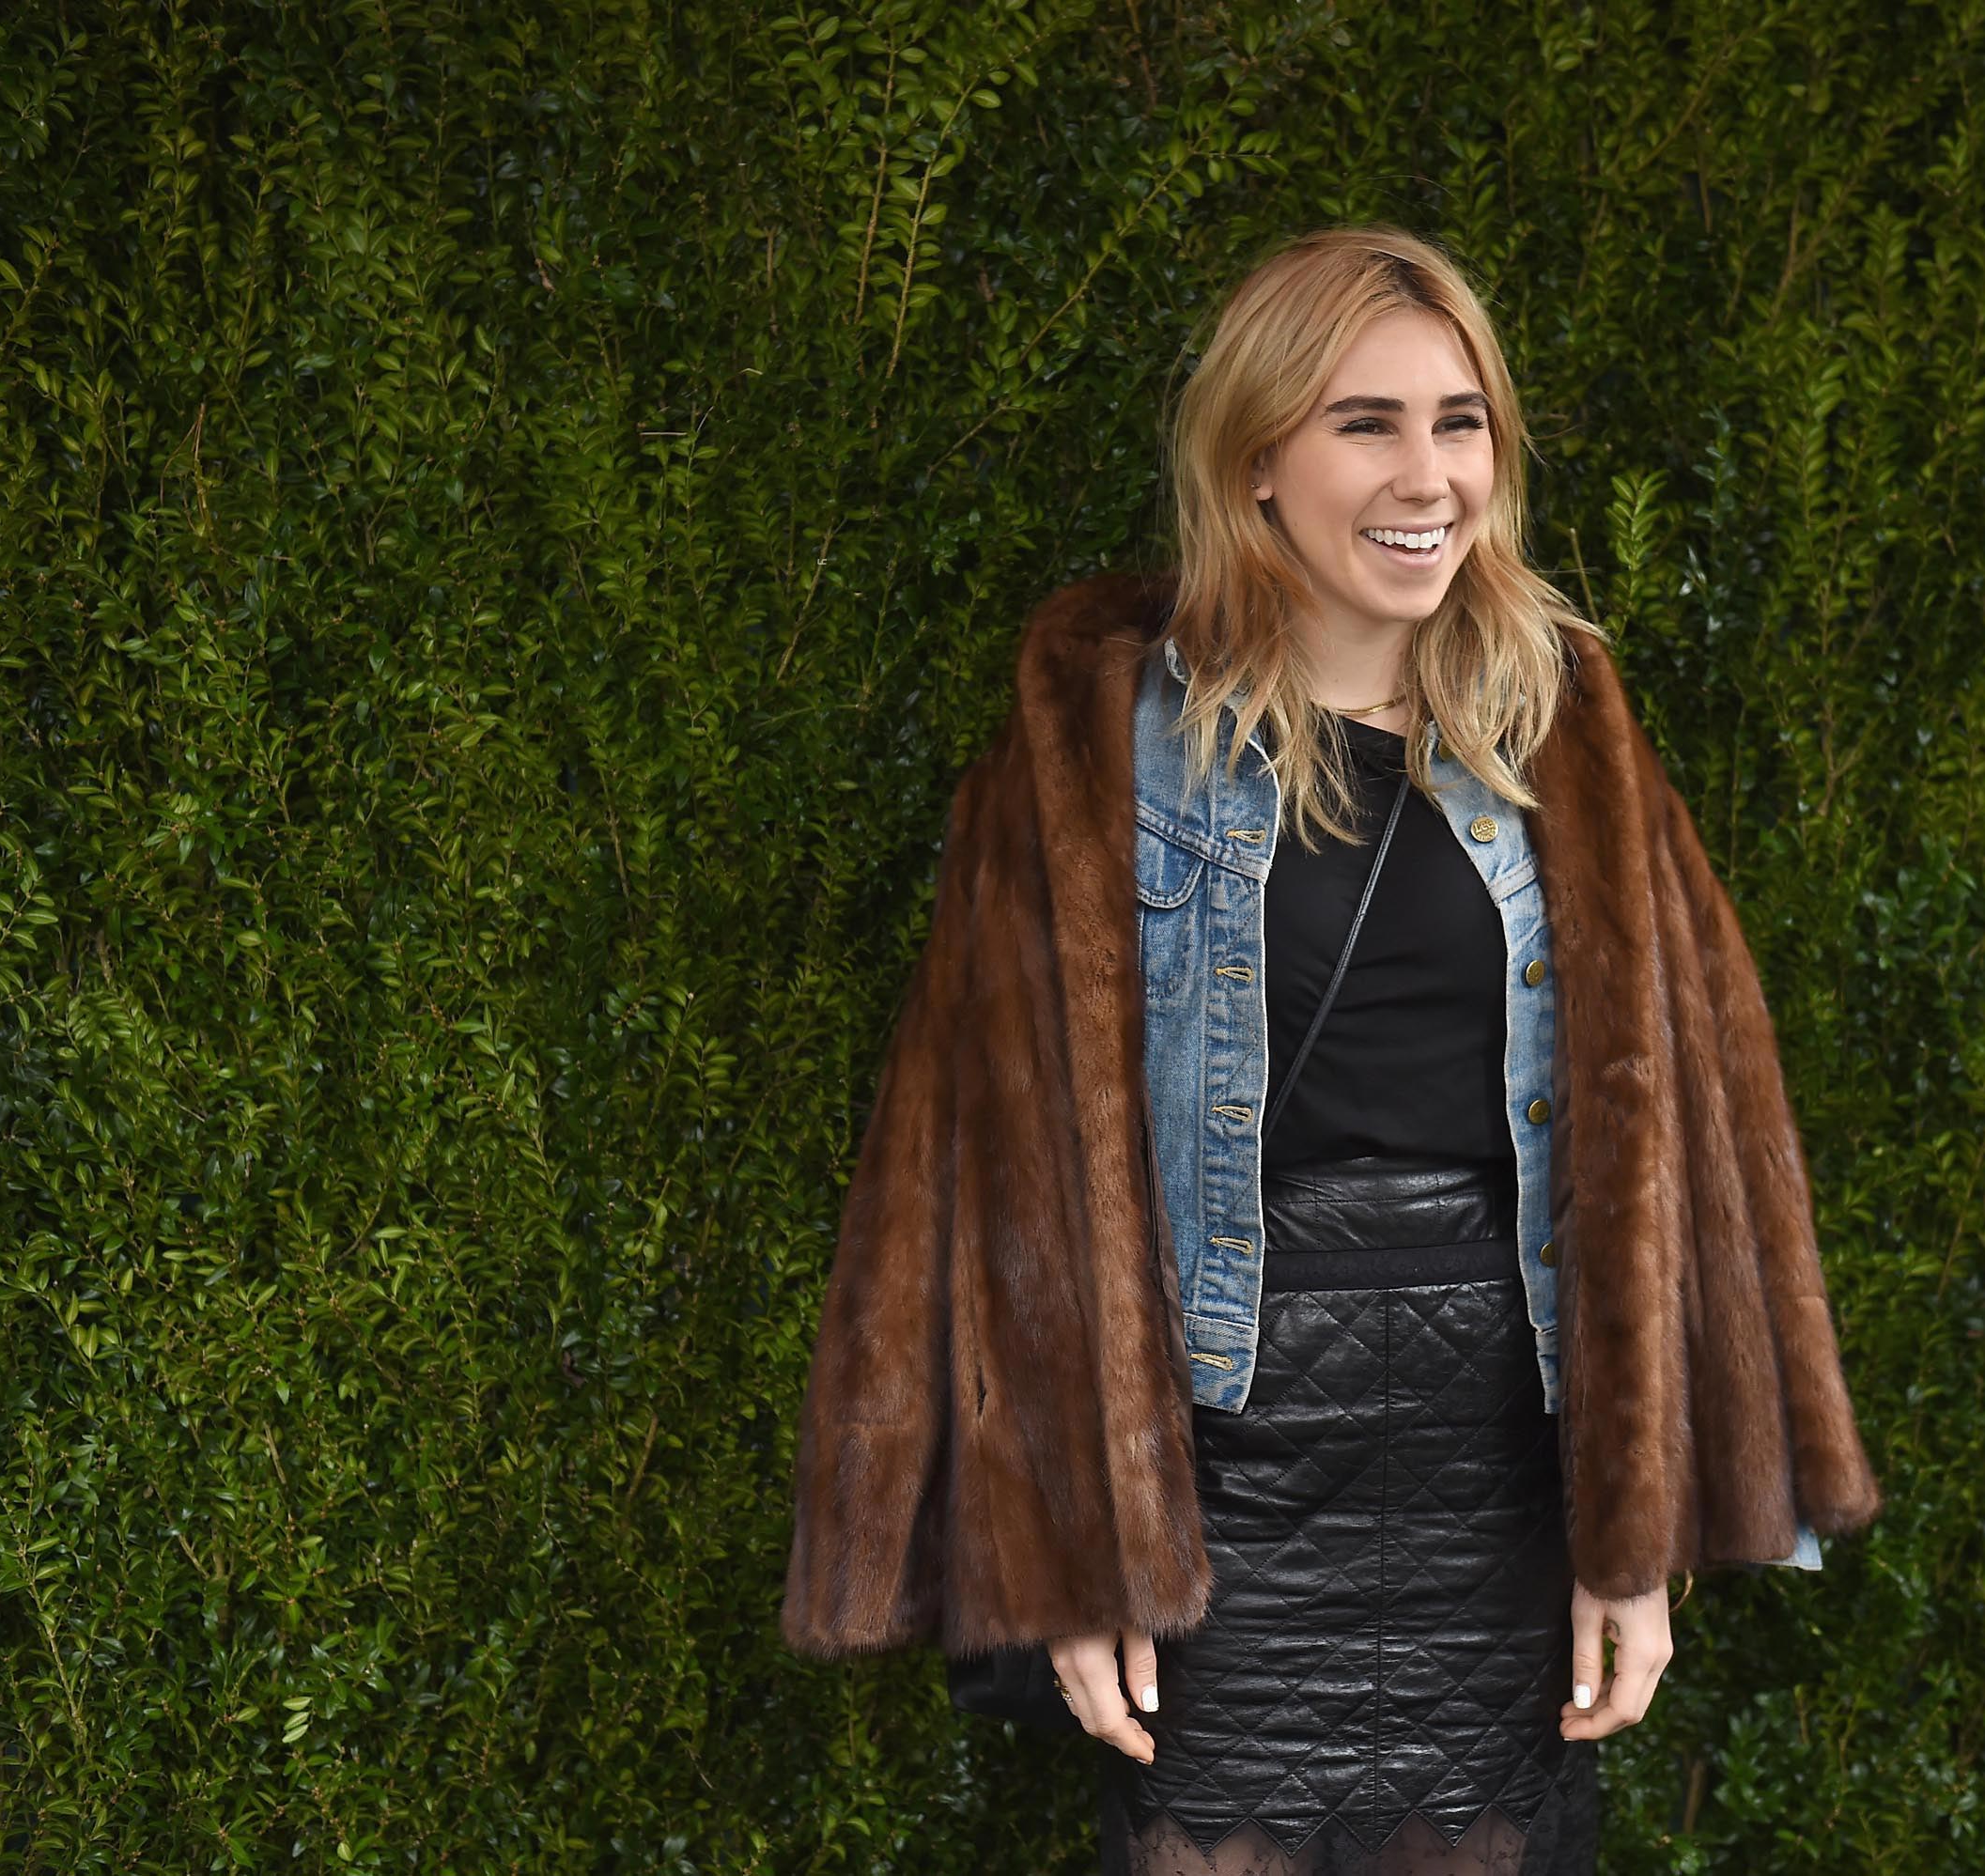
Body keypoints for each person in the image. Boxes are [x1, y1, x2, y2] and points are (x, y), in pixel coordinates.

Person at [781, 226, 1884, 1876]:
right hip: (1218, 1467)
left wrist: (1633, 1531)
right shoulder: (1096, 754)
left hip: (1491, 1461)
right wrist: (1067, 1542)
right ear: (1254, 467)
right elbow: (989, 1173)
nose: (1424, 470)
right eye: (1365, 421)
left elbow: (1678, 1143)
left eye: (1461, 420)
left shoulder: (1561, 728)